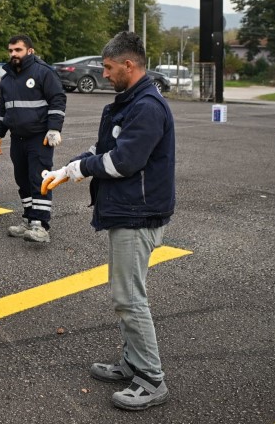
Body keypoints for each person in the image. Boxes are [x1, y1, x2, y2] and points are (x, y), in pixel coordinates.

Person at [41, 31, 176, 411]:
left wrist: (81, 168)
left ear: (129, 65)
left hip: (139, 214)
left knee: (129, 299)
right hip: (126, 211)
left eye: (109, 67)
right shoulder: (128, 103)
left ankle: (151, 378)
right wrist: (68, 169)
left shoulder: (147, 107)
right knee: (126, 296)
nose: (104, 73)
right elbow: (104, 150)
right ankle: (133, 363)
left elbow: (123, 162)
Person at [0, 34, 67, 244]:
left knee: (39, 179)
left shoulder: (43, 72)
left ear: (30, 51)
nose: (13, 54)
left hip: (39, 139)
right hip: (18, 138)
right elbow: (2, 107)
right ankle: (28, 219)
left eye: (18, 50)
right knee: (22, 180)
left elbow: (58, 99)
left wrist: (54, 129)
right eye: (11, 50)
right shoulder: (7, 78)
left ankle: (41, 225)